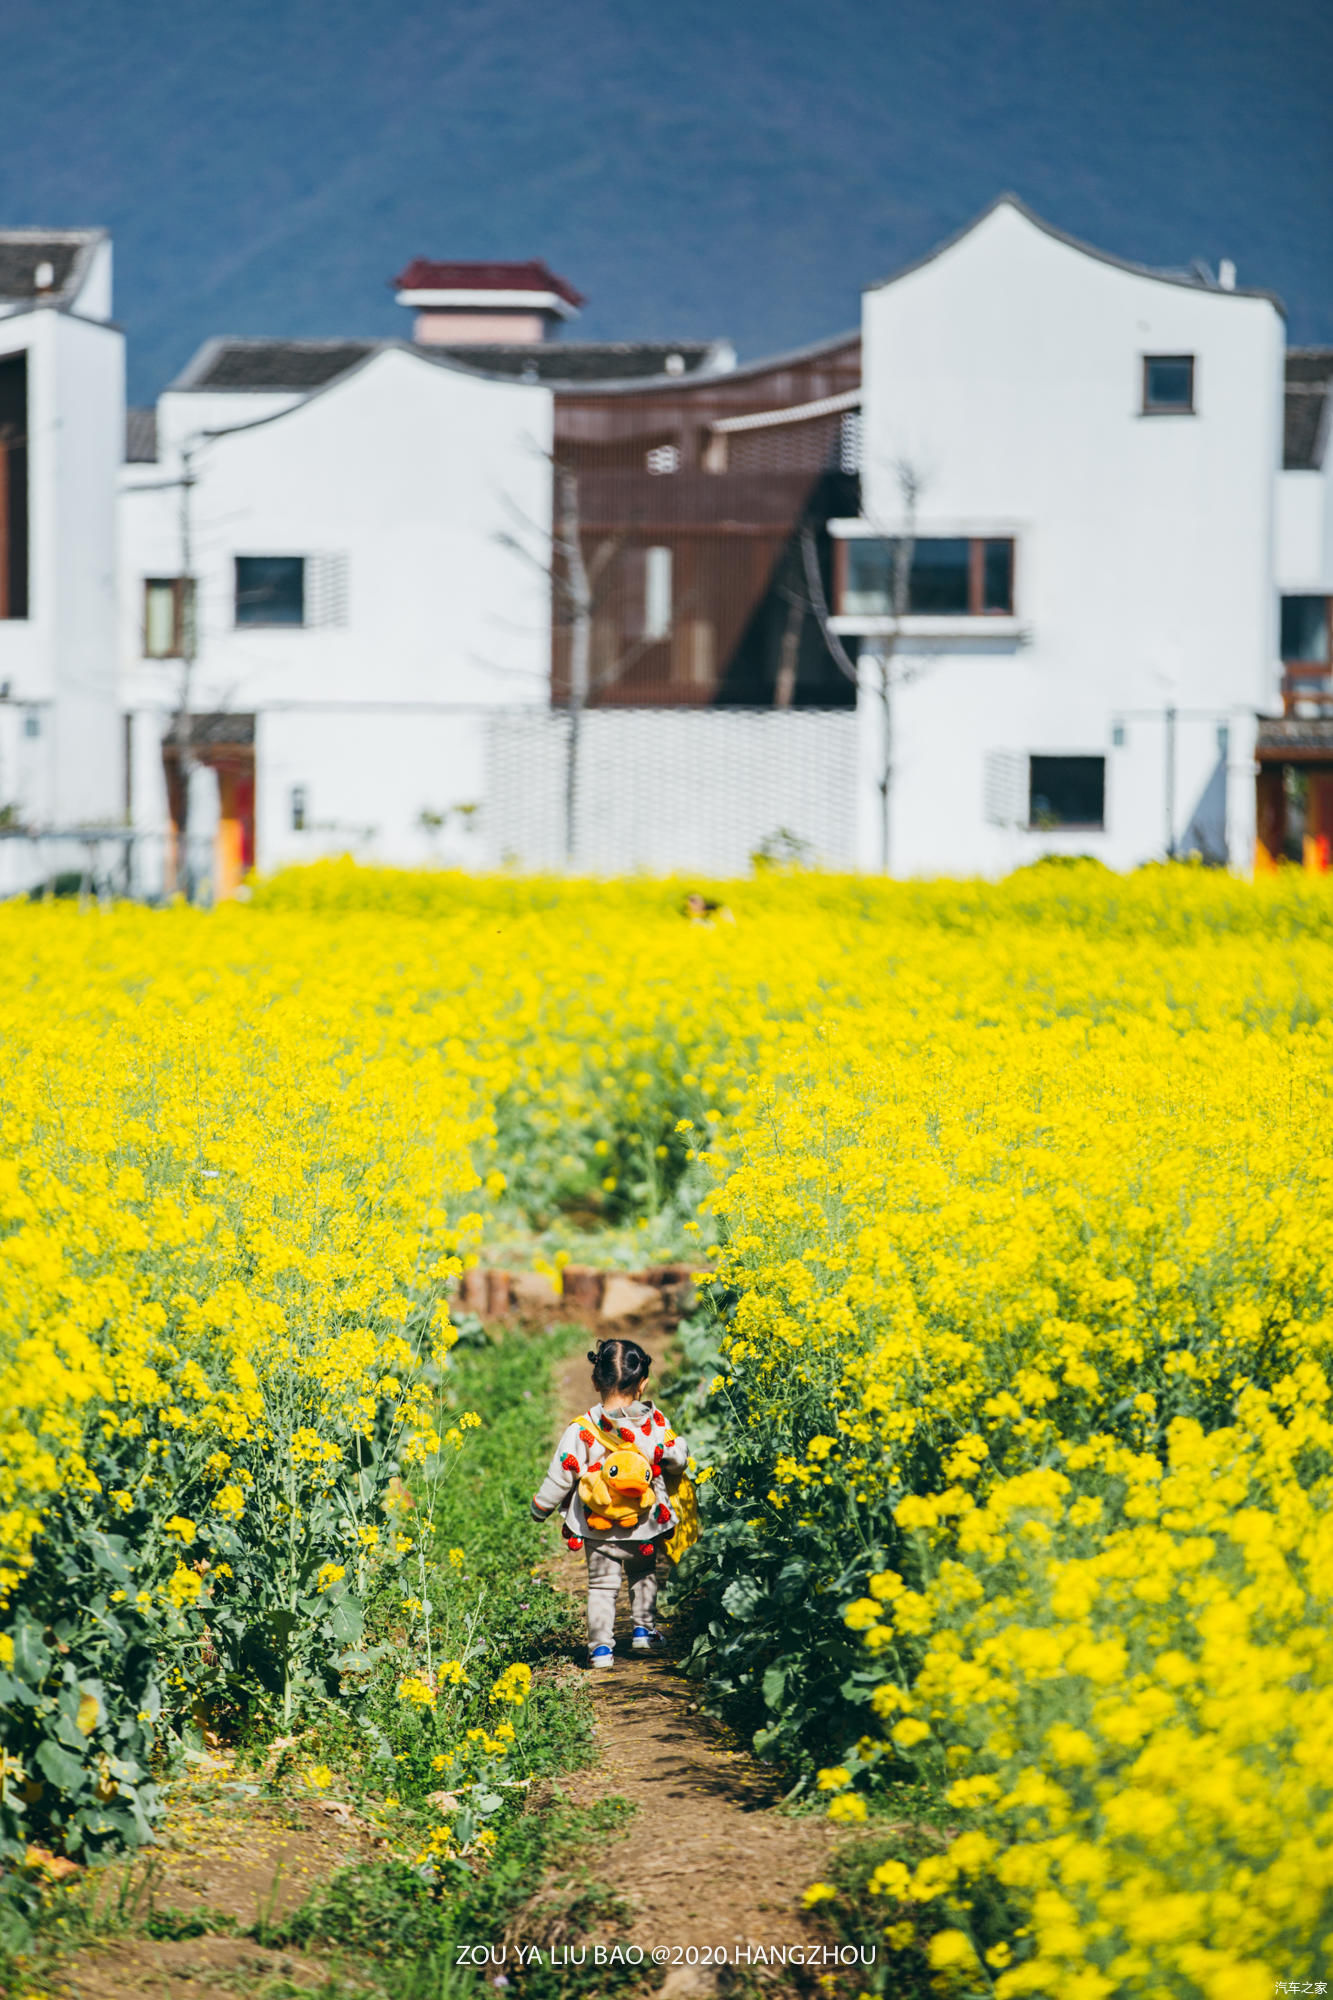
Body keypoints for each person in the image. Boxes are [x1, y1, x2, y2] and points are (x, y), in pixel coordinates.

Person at [531, 1337, 689, 1669]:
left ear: (594, 1381)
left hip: (596, 1526)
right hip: (643, 1525)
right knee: (644, 1574)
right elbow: (675, 1459)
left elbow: (562, 1472)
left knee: (602, 1586)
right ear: (643, 1384)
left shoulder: (583, 1429)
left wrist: (542, 1506)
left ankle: (601, 1649)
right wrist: (678, 1451)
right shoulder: (655, 1423)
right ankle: (644, 1629)